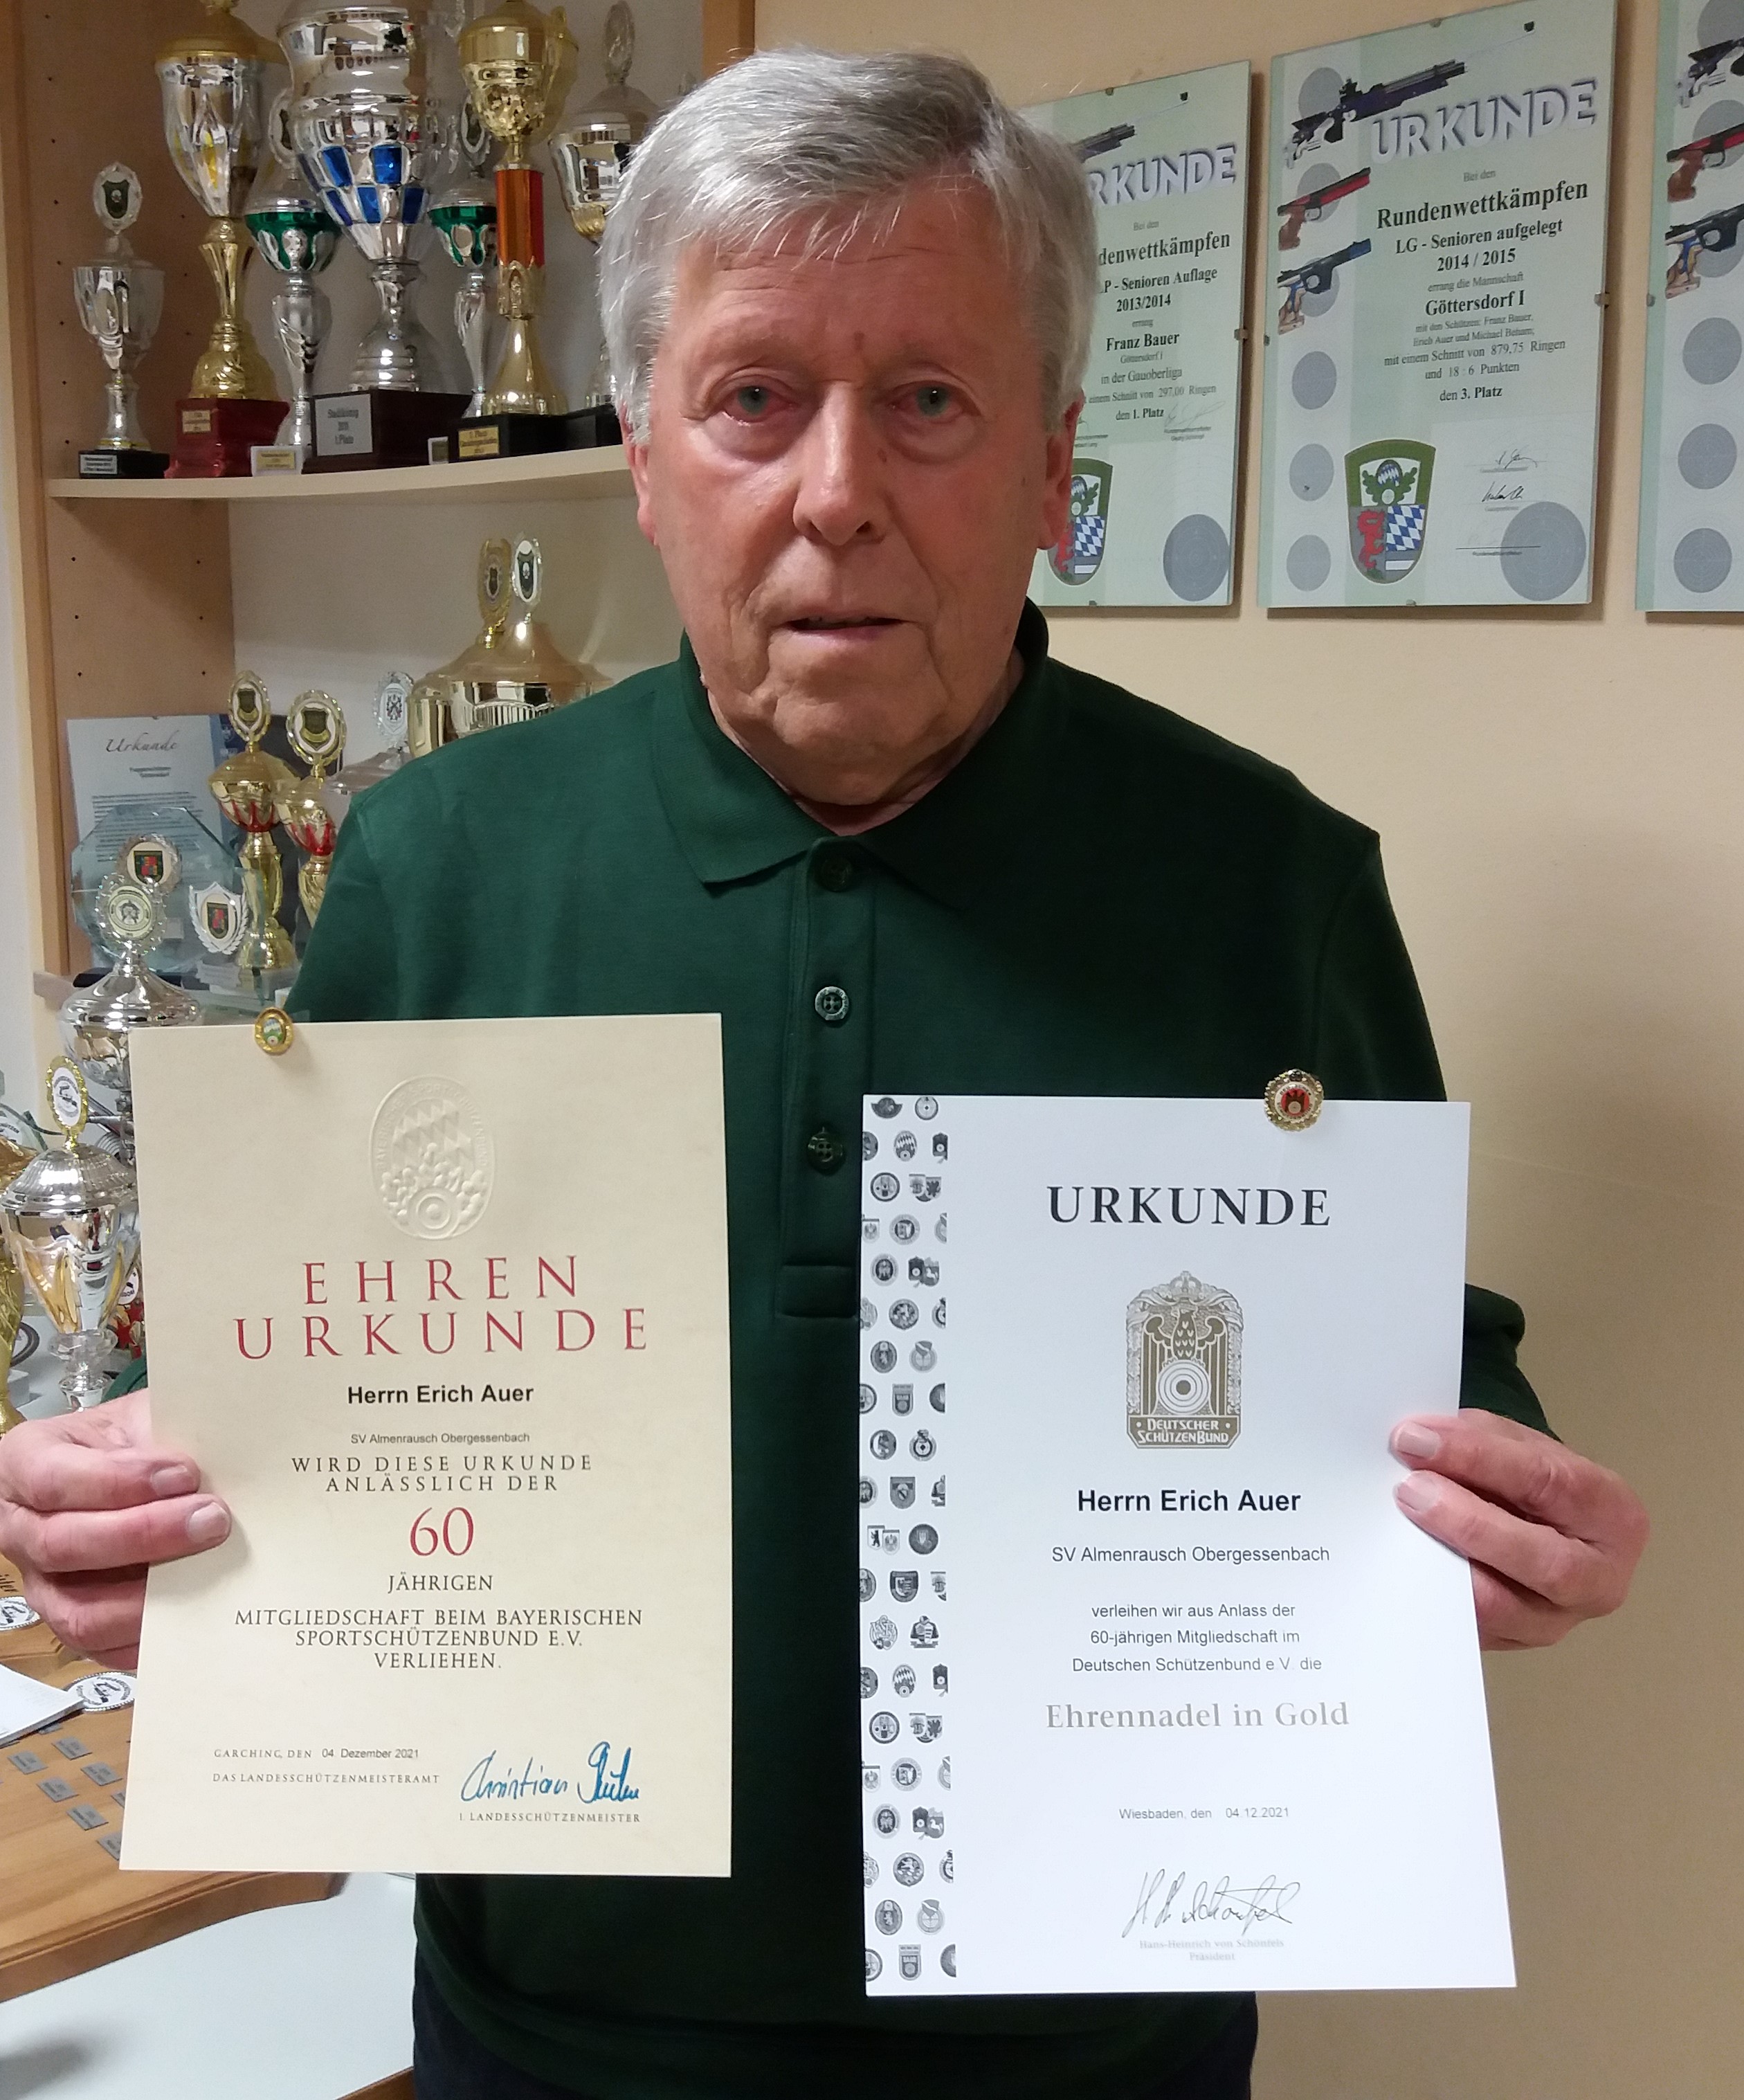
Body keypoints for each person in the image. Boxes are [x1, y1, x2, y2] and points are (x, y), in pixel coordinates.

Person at [0, 48, 1646, 2100]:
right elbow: (301, 1414)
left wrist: (1504, 1521)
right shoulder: (432, 870)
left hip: (1099, 2049)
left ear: (1052, 459)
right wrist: (140, 1516)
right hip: (550, 2040)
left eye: (931, 400)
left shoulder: (1270, 885)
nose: (839, 489)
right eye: (755, 397)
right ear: (644, 455)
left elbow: (1421, 1376)